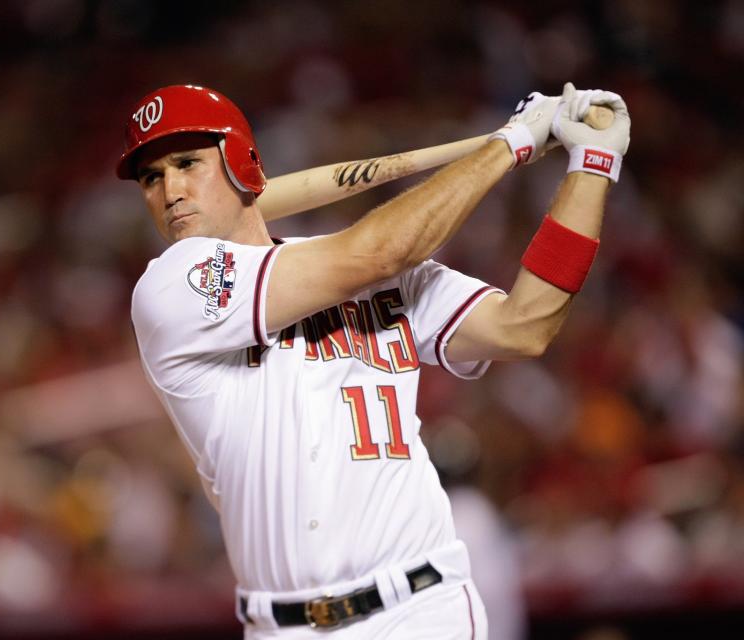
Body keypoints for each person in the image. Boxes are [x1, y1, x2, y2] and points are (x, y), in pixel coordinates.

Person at [117, 82, 630, 639]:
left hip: (421, 608)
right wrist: (510, 144)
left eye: (188, 163)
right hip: (282, 625)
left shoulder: (376, 272)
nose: (170, 190)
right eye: (151, 177)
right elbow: (378, 251)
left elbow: (524, 326)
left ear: (241, 161)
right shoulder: (172, 288)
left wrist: (593, 166)